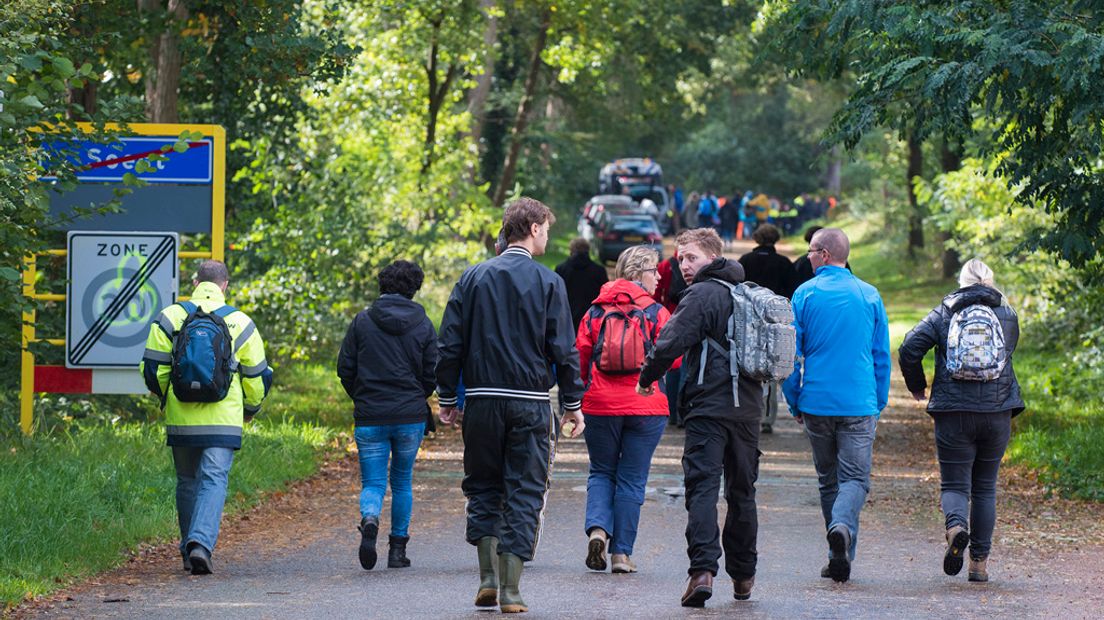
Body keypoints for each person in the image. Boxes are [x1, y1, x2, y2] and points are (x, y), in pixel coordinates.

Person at [437, 197, 586, 614]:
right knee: (525, 489)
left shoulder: (472, 278)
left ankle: (486, 578)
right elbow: (563, 348)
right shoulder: (549, 282)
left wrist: (448, 397)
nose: (548, 237)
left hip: (482, 400)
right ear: (534, 228)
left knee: (483, 485)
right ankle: (512, 590)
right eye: (547, 230)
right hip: (531, 402)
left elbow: (449, 344)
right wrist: (573, 403)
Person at [637, 228, 764, 607]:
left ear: (712, 256)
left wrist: (647, 378)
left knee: (703, 489)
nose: (684, 266)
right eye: (680, 260)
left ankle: (702, 572)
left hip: (708, 408)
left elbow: (669, 342)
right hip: (749, 410)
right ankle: (744, 577)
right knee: (743, 492)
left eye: (691, 257)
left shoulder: (702, 295)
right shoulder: (748, 293)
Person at [140, 259, 273, 575]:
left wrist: (167, 396)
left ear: (195, 282)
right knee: (214, 479)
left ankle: (188, 550)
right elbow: (257, 377)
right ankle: (200, 544)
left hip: (181, 417)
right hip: (224, 420)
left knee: (187, 480)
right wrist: (249, 410)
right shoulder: (241, 322)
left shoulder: (170, 316)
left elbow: (151, 369)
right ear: (225, 285)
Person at [898, 258, 1024, 583]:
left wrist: (918, 386)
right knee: (985, 488)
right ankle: (979, 564)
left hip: (953, 412)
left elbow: (910, 347)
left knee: (955, 484)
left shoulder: (945, 312)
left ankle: (956, 527)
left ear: (962, 281)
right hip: (997, 413)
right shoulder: (1007, 315)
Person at [782, 228, 890, 584]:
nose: (808, 257)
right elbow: (881, 357)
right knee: (856, 478)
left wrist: (793, 397)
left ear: (825, 254)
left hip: (816, 400)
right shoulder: (870, 295)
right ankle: (841, 532)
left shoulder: (804, 294)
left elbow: (789, 354)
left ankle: (835, 550)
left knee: (829, 480)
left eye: (811, 251)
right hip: (859, 401)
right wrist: (878, 400)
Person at [576, 246, 674, 575]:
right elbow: (673, 357)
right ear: (636, 273)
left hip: (601, 405)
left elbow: (581, 356)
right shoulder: (657, 312)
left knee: (602, 471)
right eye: (652, 270)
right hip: (646, 405)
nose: (659, 275)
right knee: (632, 479)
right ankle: (621, 555)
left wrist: (578, 396)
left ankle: (598, 530)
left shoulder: (595, 310)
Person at [337, 260, 437, 571]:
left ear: (382, 284)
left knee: (374, 482)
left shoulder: (362, 321)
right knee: (403, 481)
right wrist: (417, 396)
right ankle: (397, 551)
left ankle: (369, 518)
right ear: (414, 288)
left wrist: (363, 396)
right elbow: (432, 372)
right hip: (409, 415)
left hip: (370, 415)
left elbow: (345, 369)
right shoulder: (424, 324)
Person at [738, 224, 797, 434]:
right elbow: (791, 293)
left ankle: (748, 410)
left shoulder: (745, 261)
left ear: (756, 238)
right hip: (775, 324)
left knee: (748, 364)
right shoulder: (783, 263)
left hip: (749, 323)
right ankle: (767, 418)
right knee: (772, 370)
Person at [654, 251, 689, 426]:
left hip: (669, 317)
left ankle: (672, 413)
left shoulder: (666, 265)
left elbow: (657, 292)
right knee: (687, 367)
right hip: (690, 318)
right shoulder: (696, 264)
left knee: (672, 367)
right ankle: (684, 412)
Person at [555, 237, 610, 330]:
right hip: (592, 317)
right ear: (588, 250)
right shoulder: (599, 270)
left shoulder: (561, 269)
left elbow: (556, 296)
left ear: (571, 251)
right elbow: (606, 295)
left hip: (568, 318)